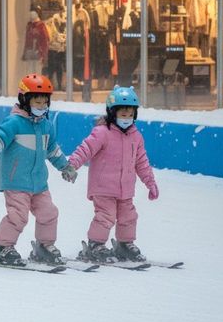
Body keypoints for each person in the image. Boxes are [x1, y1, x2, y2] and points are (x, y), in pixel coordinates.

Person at [0, 73, 76, 266]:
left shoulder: (47, 126)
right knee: (18, 216)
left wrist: (65, 166)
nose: (41, 106)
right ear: (25, 100)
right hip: (16, 181)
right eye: (37, 102)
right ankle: (2, 247)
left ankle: (44, 246)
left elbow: (52, 150)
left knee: (49, 213)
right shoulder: (14, 123)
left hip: (39, 183)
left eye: (44, 102)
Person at [66, 86, 158, 263]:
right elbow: (85, 149)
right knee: (105, 216)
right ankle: (96, 245)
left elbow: (142, 162)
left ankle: (124, 244)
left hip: (125, 189)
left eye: (130, 115)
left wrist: (150, 183)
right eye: (123, 115)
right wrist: (72, 165)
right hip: (103, 187)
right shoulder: (102, 133)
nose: (127, 119)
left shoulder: (136, 137)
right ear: (112, 113)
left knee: (128, 216)